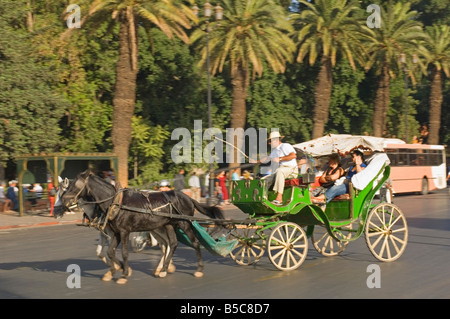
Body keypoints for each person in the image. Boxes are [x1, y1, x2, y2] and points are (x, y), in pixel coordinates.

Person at [256, 131, 298, 205]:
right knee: (263, 180)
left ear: (276, 140)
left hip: (291, 169)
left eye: (270, 141)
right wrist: (257, 161)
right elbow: (267, 159)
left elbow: (293, 156)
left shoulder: (285, 146)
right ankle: (262, 198)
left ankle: (279, 198)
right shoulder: (275, 151)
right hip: (282, 169)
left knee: (279, 171)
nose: (269, 143)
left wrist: (280, 159)